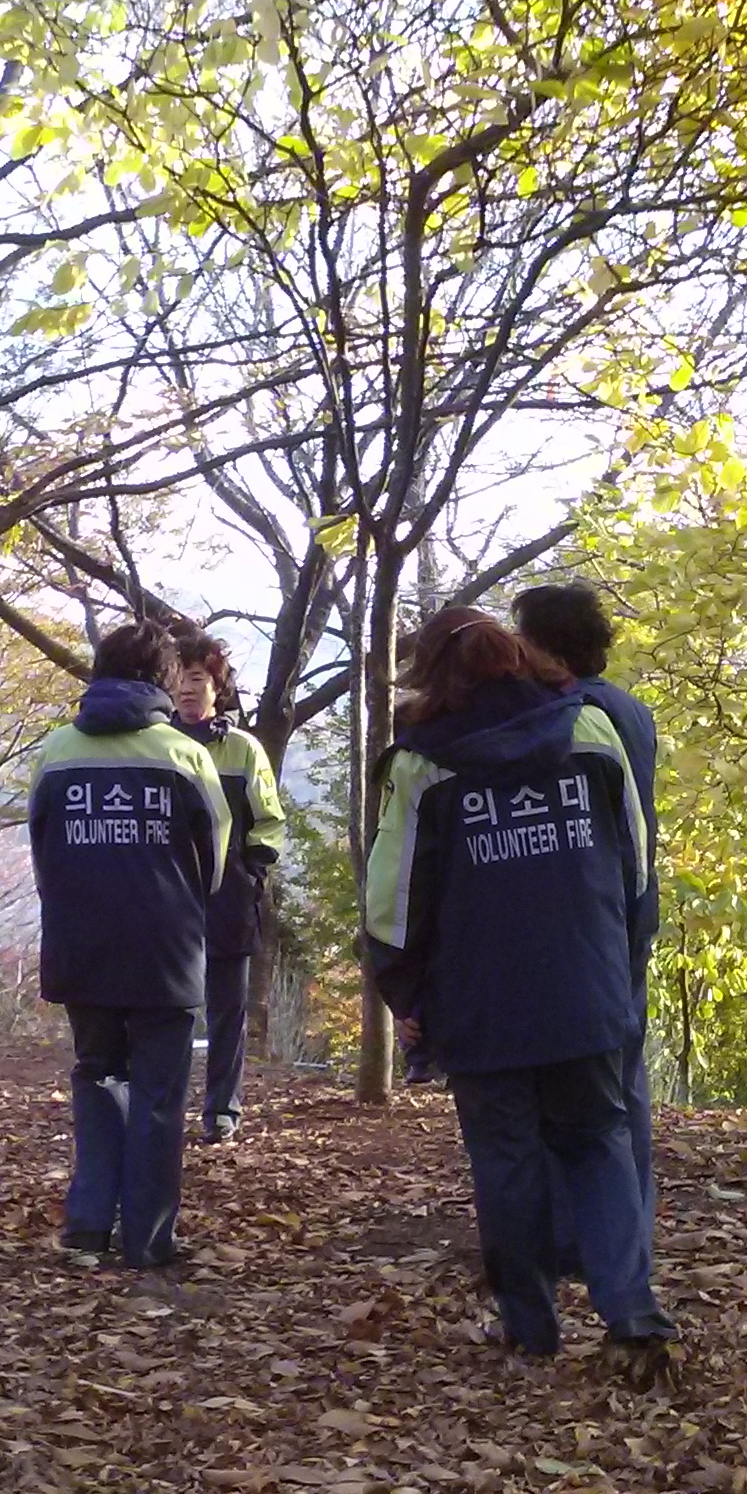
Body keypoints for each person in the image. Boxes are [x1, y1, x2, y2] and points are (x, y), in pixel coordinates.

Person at [364, 606, 675, 1382]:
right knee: (599, 1140)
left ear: (431, 675)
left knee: (506, 1159)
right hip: (588, 982)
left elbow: (393, 900)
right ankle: (631, 1313)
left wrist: (404, 994)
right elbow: (635, 864)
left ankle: (531, 1329)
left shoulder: (421, 765)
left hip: (481, 999)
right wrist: (624, 960)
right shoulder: (590, 732)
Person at [26, 619, 231, 1269]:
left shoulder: (57, 749)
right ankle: (148, 1238)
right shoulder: (183, 753)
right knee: (159, 1095)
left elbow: (41, 847)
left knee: (97, 1076)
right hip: (165, 948)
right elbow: (215, 857)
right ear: (164, 679)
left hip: (81, 943)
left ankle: (88, 1225)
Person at [515, 582, 660, 1198]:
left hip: (586, 913)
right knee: (624, 1067)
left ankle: (592, 1217)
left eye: (523, 639)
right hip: (632, 903)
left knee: (588, 1085)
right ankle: (631, 1211)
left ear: (553, 653)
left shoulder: (568, 717)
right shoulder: (630, 708)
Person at [171, 631, 287, 1143]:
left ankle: (222, 1109)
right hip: (167, 897)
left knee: (227, 1010)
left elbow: (269, 821)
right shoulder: (157, 745)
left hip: (228, 897)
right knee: (167, 1008)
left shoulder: (243, 749)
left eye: (197, 679)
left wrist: (250, 873)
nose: (186, 689)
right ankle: (164, 1102)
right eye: (179, 679)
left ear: (217, 687)